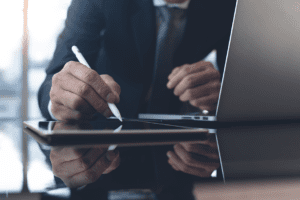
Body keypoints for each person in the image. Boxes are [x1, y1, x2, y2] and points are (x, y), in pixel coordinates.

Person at [38, 0, 236, 199]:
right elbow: (56, 75)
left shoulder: (228, 6)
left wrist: (223, 95)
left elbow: (239, 82)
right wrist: (60, 97)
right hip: (101, 150)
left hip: (181, 156)